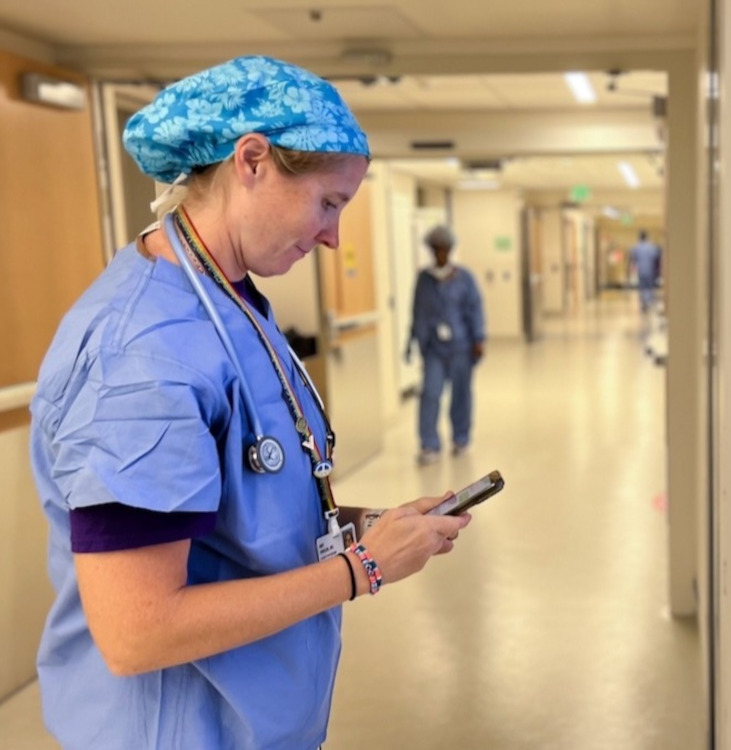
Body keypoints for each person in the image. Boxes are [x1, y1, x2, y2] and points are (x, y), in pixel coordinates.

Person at [28, 55, 471, 750]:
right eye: (329, 203)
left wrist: (367, 525)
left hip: (247, 721)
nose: (331, 236)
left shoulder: (231, 306)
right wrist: (365, 569)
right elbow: (137, 631)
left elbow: (239, 508)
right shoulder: (143, 358)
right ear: (253, 161)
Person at [407, 225, 486, 465]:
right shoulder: (424, 279)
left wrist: (479, 338)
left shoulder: (465, 278)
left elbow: (475, 309)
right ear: (431, 251)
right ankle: (429, 443)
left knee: (461, 394)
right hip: (434, 349)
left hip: (461, 346)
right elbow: (417, 312)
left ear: (450, 250)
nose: (440, 253)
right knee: (430, 394)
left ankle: (461, 437)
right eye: (436, 249)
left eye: (444, 249)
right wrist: (414, 342)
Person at [627, 229, 662, 312]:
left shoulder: (636, 247)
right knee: (650, 287)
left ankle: (644, 302)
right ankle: (648, 301)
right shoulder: (651, 247)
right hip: (650, 270)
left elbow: (632, 258)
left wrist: (630, 270)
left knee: (642, 287)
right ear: (646, 237)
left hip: (641, 271)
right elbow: (657, 258)